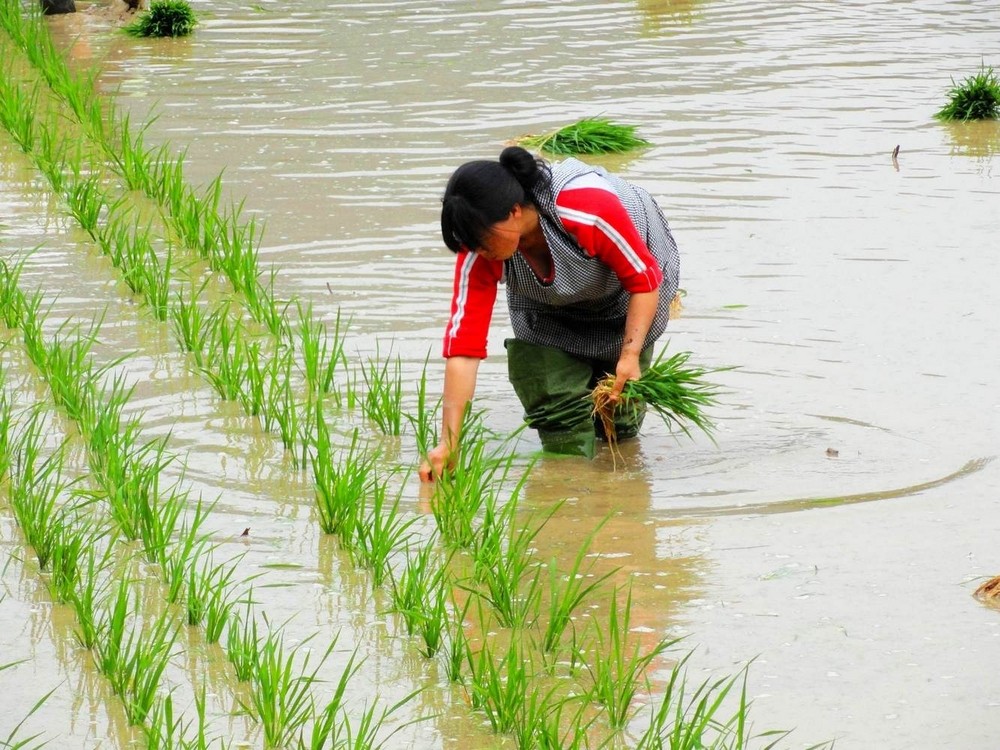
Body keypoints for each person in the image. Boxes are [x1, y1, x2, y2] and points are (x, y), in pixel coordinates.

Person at [418, 146, 680, 481]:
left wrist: (629, 355)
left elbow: (643, 281)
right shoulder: (482, 252)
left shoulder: (587, 209)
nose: (480, 253)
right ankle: (566, 492)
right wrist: (448, 444)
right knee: (557, 412)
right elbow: (464, 348)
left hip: (628, 293)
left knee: (620, 419)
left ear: (514, 212)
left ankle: (619, 499)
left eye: (483, 241)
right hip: (546, 307)